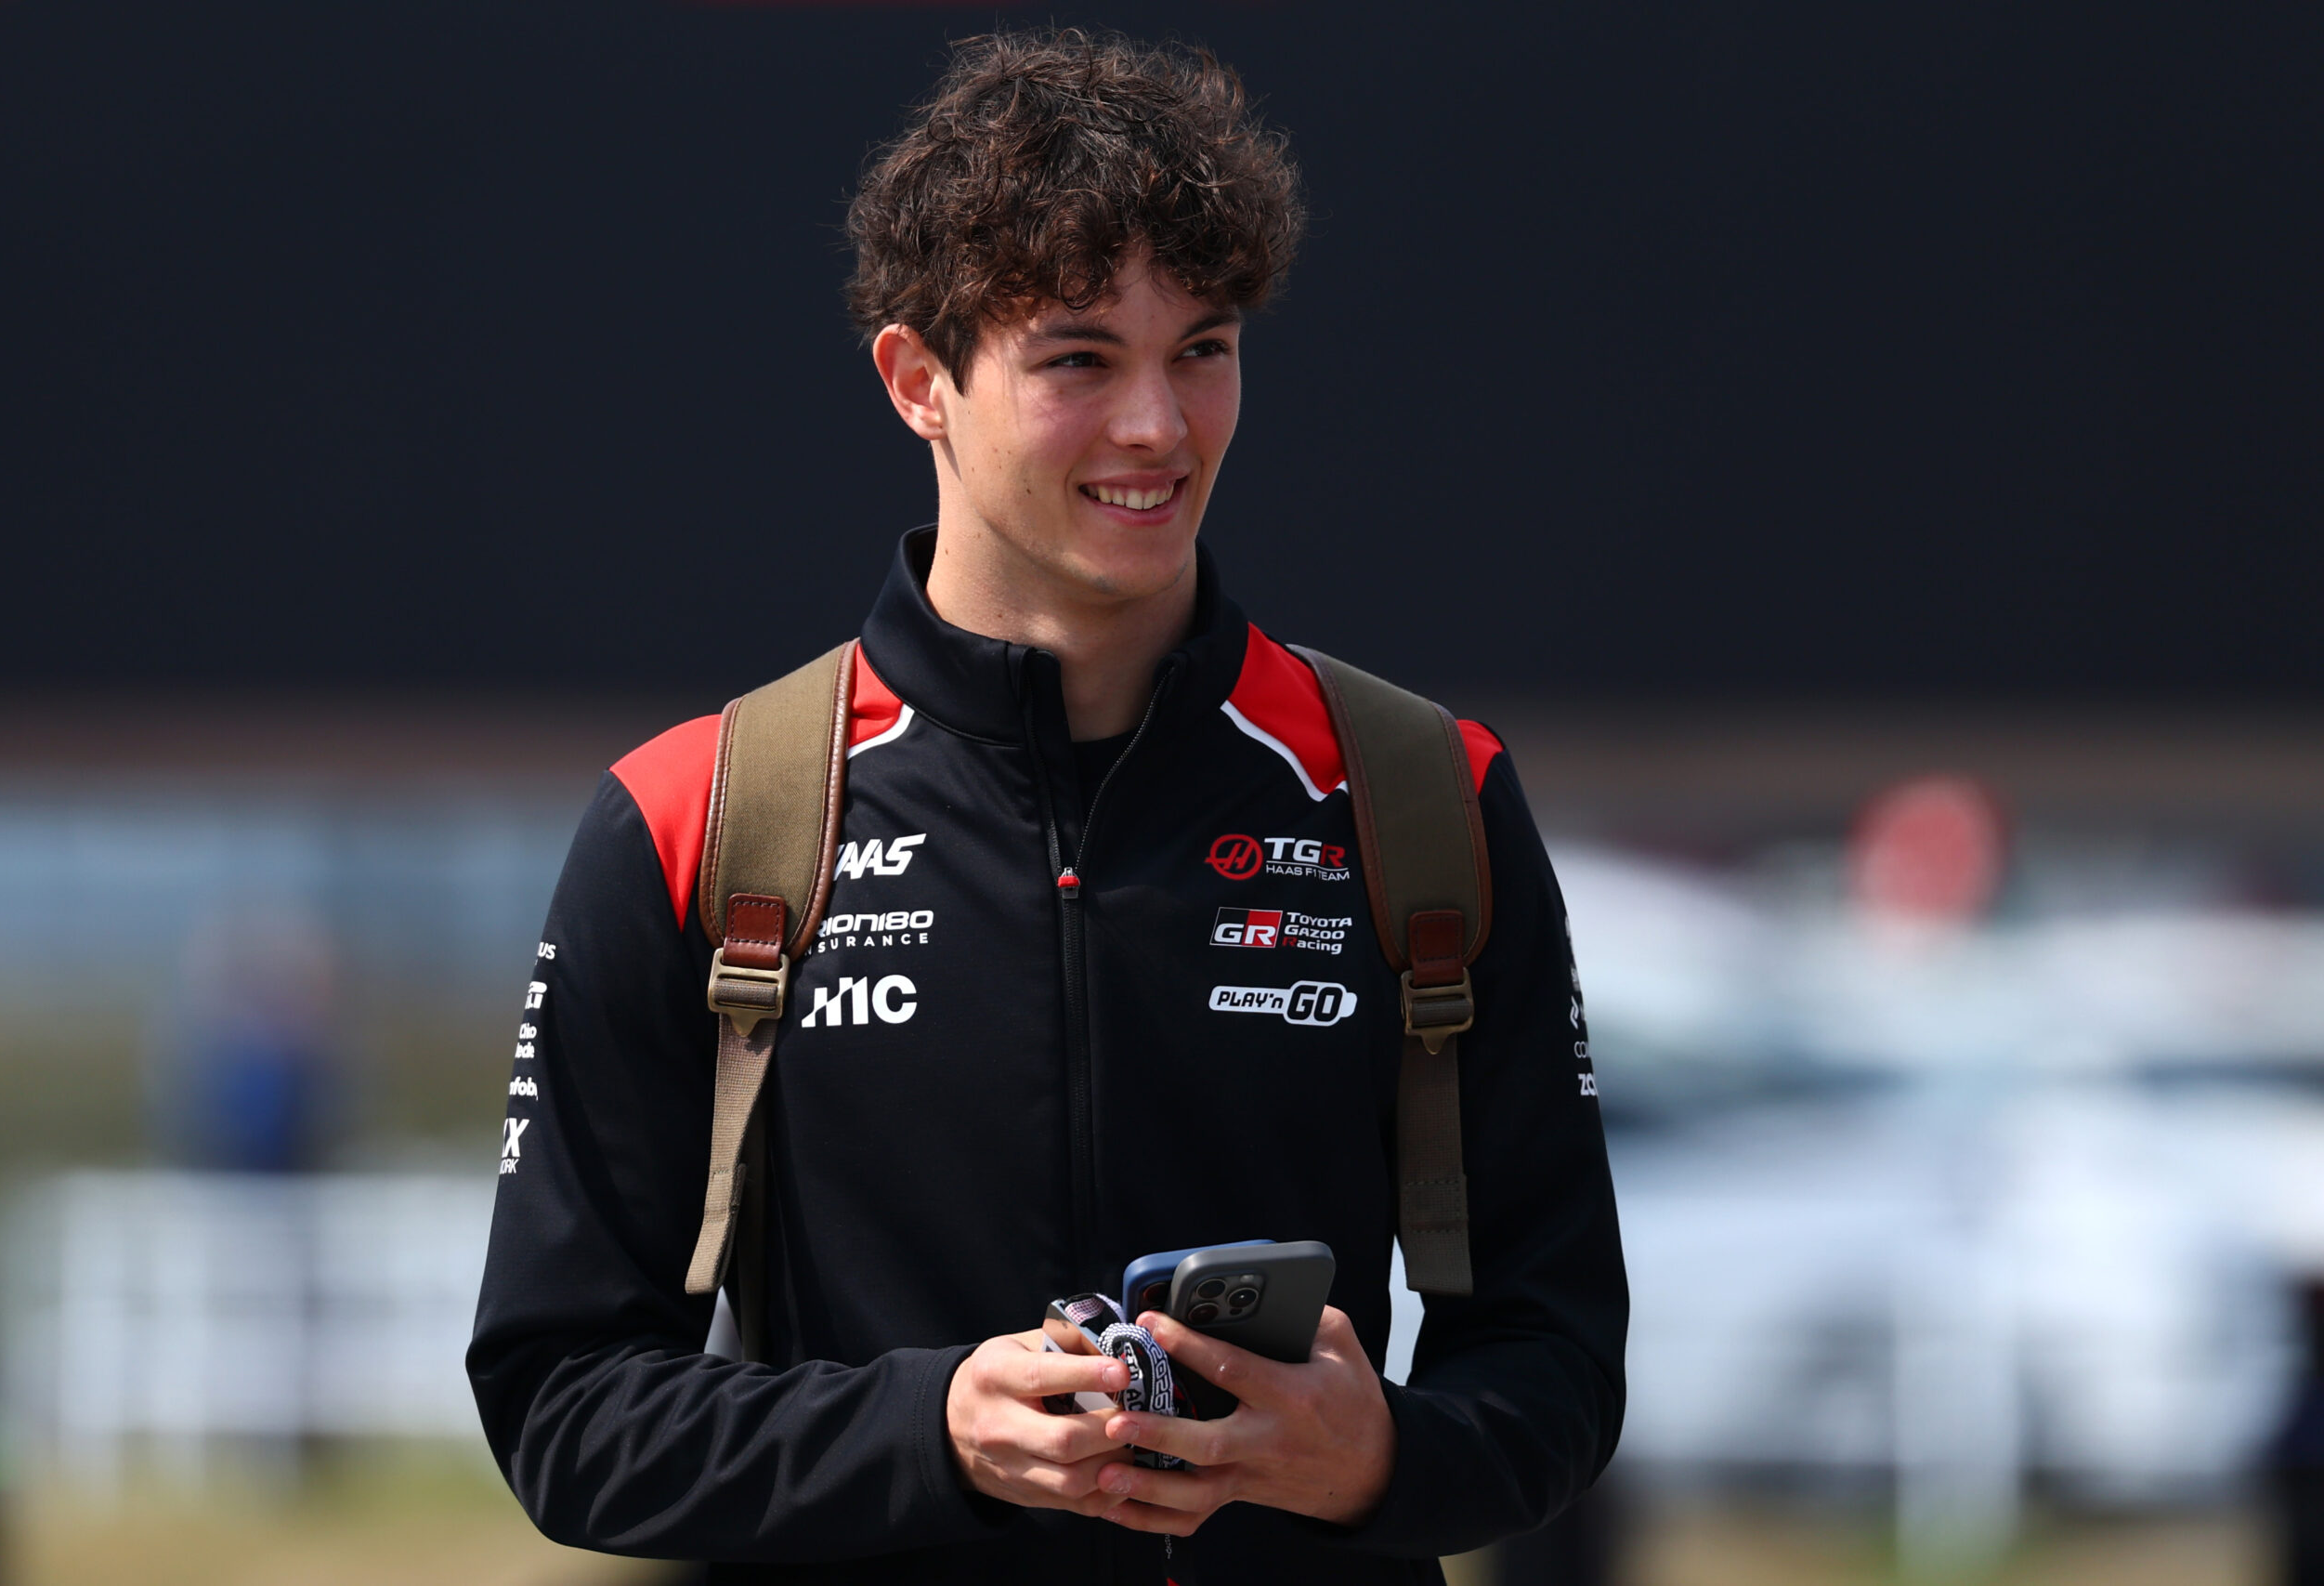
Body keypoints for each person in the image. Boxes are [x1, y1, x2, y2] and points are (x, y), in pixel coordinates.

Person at [467, 28, 1625, 1582]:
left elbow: (1558, 1364)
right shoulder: (698, 819)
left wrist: (1381, 1459)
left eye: (1202, 348)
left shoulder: (1425, 799)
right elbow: (561, 1410)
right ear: (916, 381)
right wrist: (931, 1429)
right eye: (1080, 358)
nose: (1158, 426)